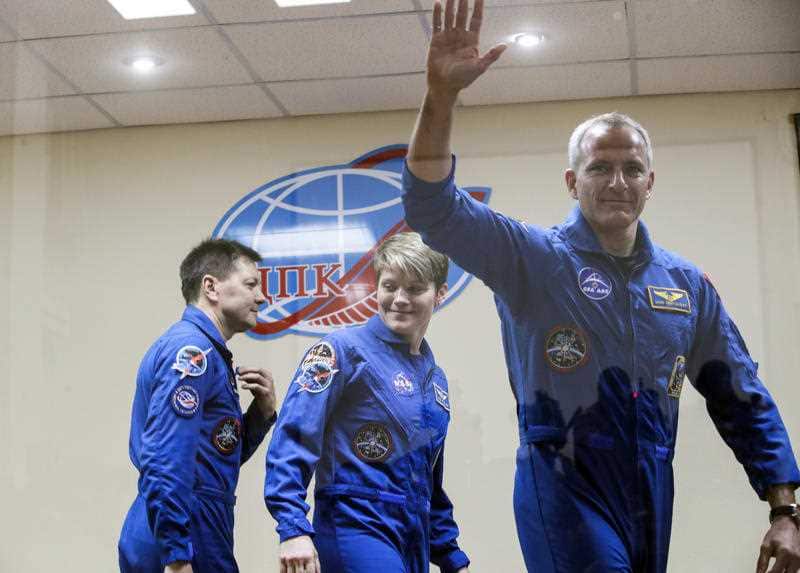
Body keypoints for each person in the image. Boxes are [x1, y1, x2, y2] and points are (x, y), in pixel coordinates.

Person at [401, 1, 800, 572]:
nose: (617, 182)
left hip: (649, 485)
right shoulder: (534, 259)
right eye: (599, 168)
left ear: (650, 183)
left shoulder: (685, 286)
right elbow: (431, 207)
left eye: (631, 169)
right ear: (572, 180)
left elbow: (739, 393)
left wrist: (784, 508)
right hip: (563, 478)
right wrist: (441, 96)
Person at [264, 232, 471, 573]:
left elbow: (429, 480)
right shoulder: (342, 351)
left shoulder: (436, 381)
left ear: (440, 294)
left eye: (415, 288)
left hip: (412, 536)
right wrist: (292, 527)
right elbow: (294, 438)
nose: (399, 299)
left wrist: (450, 555)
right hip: (354, 524)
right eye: (389, 286)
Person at [118, 238, 278, 573]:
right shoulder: (191, 353)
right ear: (211, 287)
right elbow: (166, 458)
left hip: (196, 522)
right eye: (251, 284)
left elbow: (218, 456)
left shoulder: (208, 352)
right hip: (185, 528)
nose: (262, 297)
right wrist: (177, 555)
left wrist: (261, 414)